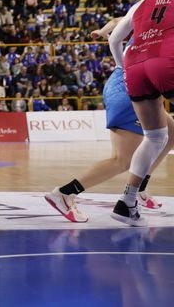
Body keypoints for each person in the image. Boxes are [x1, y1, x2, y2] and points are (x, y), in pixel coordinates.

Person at [45, 17, 174, 222]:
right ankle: (65, 193)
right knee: (121, 160)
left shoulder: (151, 15)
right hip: (131, 89)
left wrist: (102, 31)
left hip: (127, 83)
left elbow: (117, 21)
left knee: (170, 132)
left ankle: (139, 186)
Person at [106, 0, 174, 226]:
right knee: (159, 137)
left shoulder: (139, 5)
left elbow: (114, 40)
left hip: (135, 66)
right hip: (165, 62)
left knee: (155, 137)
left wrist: (124, 68)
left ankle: (127, 201)